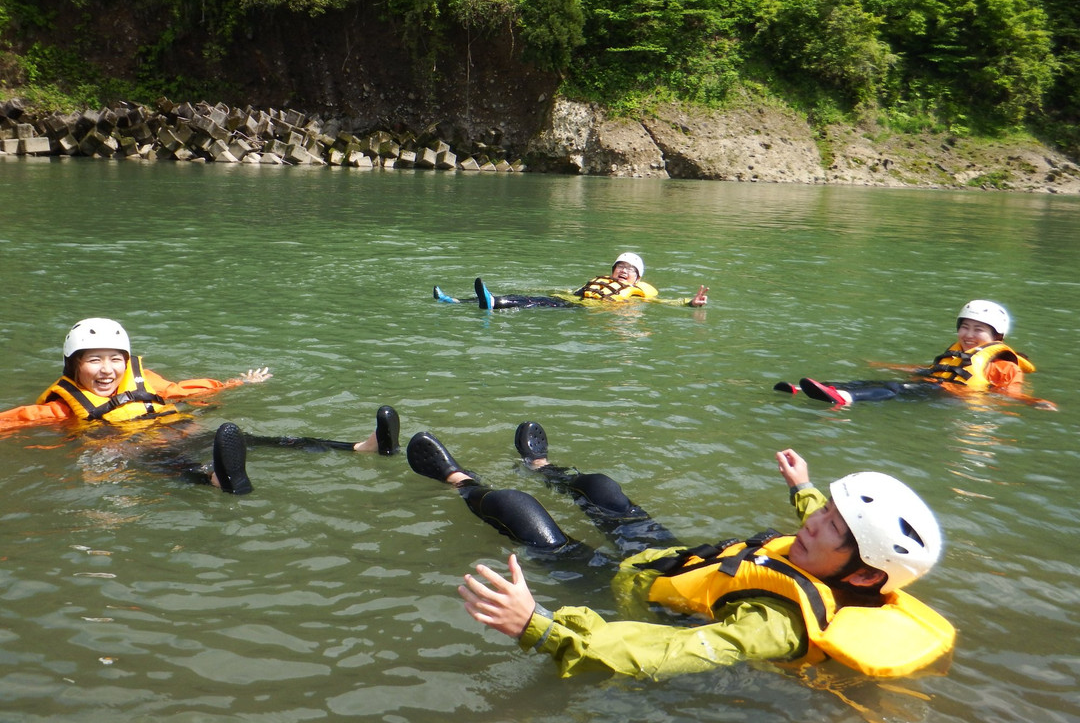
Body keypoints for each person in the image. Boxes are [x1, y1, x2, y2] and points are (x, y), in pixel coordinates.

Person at [406, 423, 954, 680]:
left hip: (632, 589)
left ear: (863, 577)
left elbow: (670, 651)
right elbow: (823, 523)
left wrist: (542, 628)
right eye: (826, 510)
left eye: (833, 525)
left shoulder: (776, 624)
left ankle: (458, 479)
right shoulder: (834, 557)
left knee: (517, 509)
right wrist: (803, 487)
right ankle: (542, 467)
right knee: (601, 488)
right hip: (675, 559)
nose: (815, 522)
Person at [0, 317, 401, 494]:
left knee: (263, 439)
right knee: (167, 462)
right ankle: (214, 480)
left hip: (182, 431)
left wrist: (237, 383)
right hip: (137, 448)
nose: (107, 369)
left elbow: (185, 391)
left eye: (115, 359)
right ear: (74, 366)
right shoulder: (63, 408)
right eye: (94, 360)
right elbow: (16, 420)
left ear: (126, 360)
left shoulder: (146, 381)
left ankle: (359, 447)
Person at [775, 300, 1039, 406]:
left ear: (997, 338)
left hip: (950, 396)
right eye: (965, 327)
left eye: (978, 330)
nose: (968, 335)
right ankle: (807, 389)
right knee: (871, 381)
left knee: (894, 388)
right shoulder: (958, 353)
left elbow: (1012, 393)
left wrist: (1035, 402)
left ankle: (845, 399)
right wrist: (886, 365)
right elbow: (929, 370)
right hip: (933, 384)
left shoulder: (1005, 366)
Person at [433, 252, 709, 309]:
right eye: (620, 267)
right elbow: (575, 290)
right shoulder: (600, 280)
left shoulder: (637, 293)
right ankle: (455, 300)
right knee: (529, 296)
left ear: (638, 278)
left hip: (580, 309)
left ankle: (495, 303)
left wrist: (689, 302)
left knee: (534, 304)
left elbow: (663, 302)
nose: (624, 272)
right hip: (572, 299)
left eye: (630, 270)